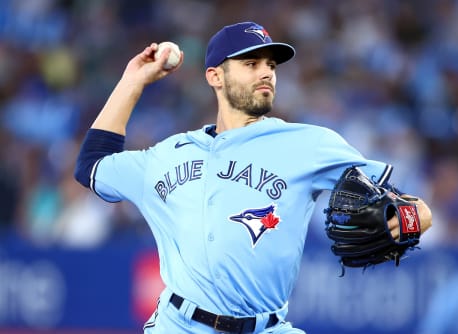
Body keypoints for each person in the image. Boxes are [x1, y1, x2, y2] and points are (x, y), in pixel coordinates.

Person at [74, 21, 432, 334]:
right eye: (250, 63)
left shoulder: (309, 143)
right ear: (215, 76)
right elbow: (91, 165)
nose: (266, 73)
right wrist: (133, 81)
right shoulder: (168, 154)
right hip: (178, 324)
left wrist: (408, 220)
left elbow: (414, 208)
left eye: (270, 65)